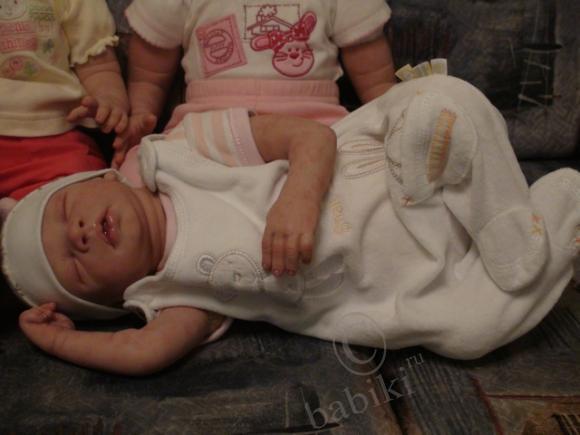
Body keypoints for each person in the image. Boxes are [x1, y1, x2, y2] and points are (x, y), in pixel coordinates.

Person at [2, 75, 579, 376]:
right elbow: (140, 354)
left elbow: (311, 137)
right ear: (115, 300)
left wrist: (298, 198)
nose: (77, 234)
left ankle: (502, 224)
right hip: (416, 282)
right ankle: (553, 216)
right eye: (73, 266)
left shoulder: (181, 149)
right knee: (470, 334)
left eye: (64, 211)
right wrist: (59, 340)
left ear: (103, 176)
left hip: (392, 173)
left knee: (439, 101)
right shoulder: (173, 295)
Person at [118, 0, 397, 148]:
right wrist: (141, 113)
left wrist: (395, 115)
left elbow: (375, 77)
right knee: (141, 171)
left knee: (366, 174)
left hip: (316, 125)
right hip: (208, 123)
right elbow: (149, 75)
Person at [0, 0, 130, 201]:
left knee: (91, 194)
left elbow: (98, 67)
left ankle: (24, 211)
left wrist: (110, 100)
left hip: (53, 137)